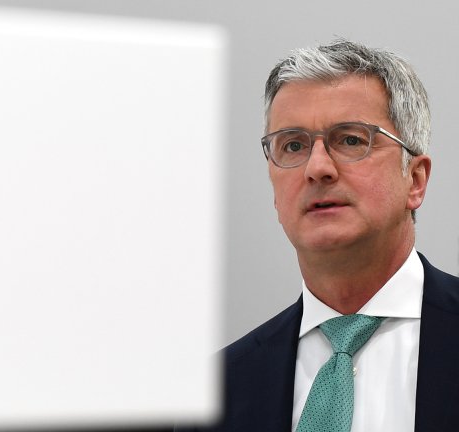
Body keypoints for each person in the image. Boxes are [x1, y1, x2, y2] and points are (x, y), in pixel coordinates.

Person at [177, 39, 459, 432]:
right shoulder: (215, 391)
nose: (317, 168)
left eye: (350, 140)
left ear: (415, 180)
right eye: (293, 146)